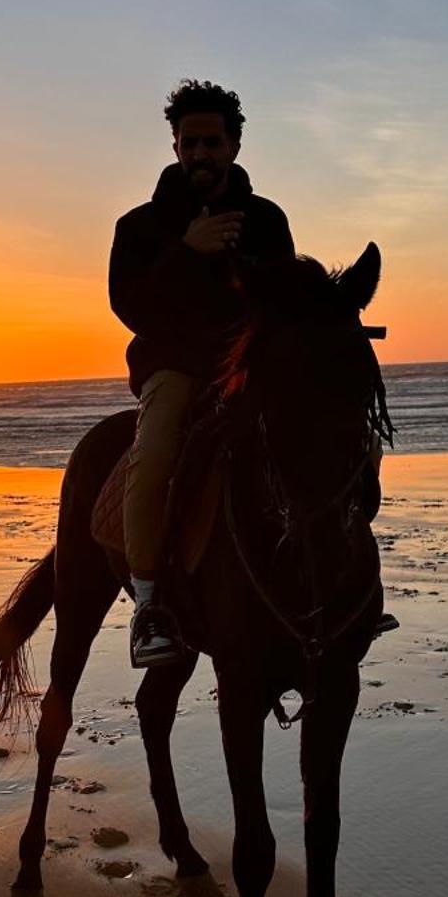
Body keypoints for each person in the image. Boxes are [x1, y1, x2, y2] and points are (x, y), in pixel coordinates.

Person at [109, 79, 295, 665]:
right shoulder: (138, 226)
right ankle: (148, 605)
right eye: (189, 142)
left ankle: (337, 580)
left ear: (234, 146)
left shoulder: (266, 219)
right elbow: (130, 306)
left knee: (336, 439)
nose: (199, 154)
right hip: (176, 370)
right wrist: (187, 252)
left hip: (251, 373)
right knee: (157, 452)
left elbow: (285, 300)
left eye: (211, 142)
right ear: (174, 145)